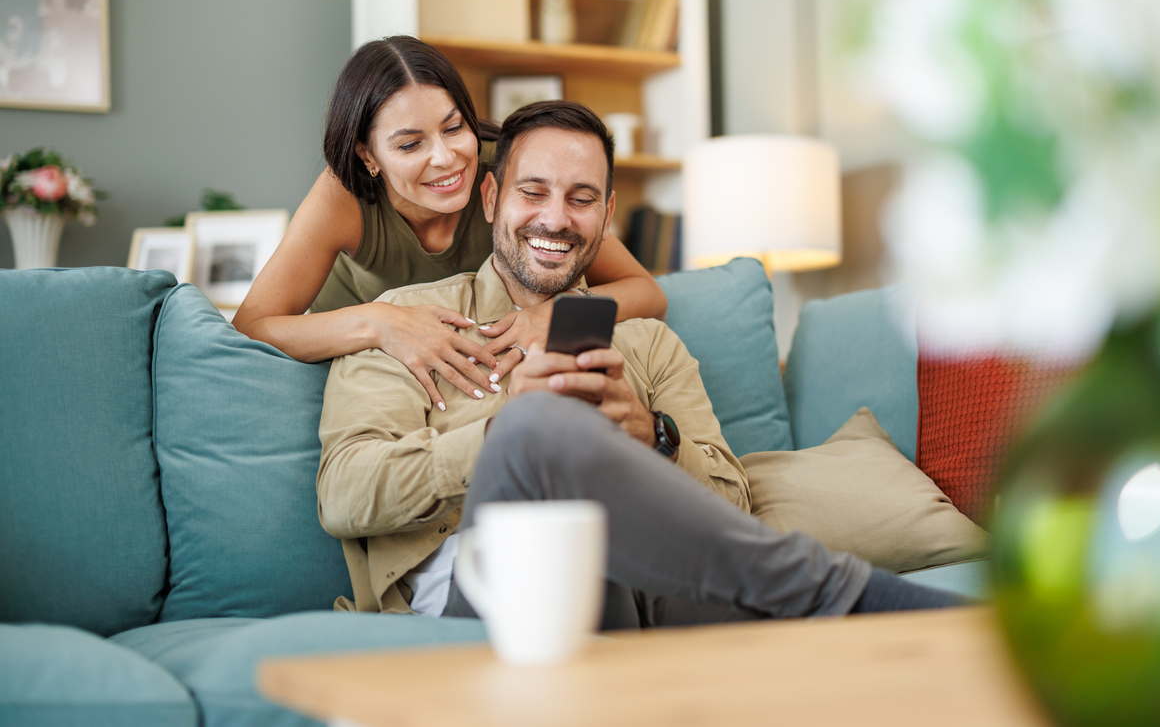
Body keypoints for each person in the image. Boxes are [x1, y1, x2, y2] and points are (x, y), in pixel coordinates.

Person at [317, 100, 963, 626]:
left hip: (630, 589)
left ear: (606, 214)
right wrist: (502, 438)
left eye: (580, 198)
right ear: (490, 199)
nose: (555, 218)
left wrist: (651, 437)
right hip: (477, 604)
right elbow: (344, 494)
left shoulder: (649, 344)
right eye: (533, 192)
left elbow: (728, 514)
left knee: (669, 576)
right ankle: (844, 597)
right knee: (531, 431)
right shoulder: (406, 324)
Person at [232, 36, 666, 411]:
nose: (446, 158)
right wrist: (382, 322)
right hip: (363, 368)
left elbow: (646, 291)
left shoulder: (510, 178)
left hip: (468, 380)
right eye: (409, 144)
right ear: (368, 156)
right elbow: (252, 326)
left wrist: (551, 316)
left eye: (454, 127)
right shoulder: (341, 194)